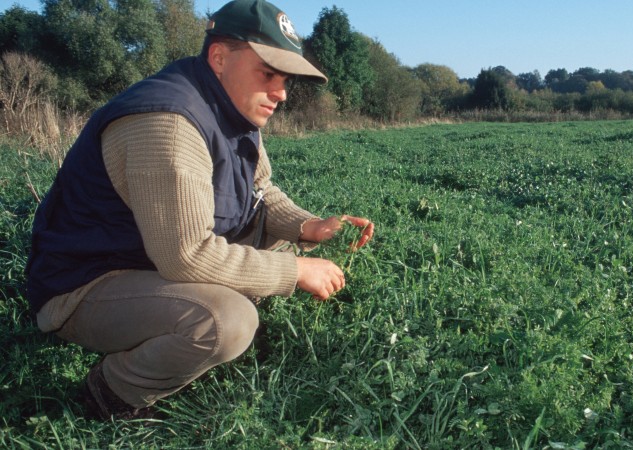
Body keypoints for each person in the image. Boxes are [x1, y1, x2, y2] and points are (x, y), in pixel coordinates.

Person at [25, 0, 374, 420]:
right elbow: (186, 255)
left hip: (144, 258)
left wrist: (310, 226)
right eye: (268, 74)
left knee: (281, 240)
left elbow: (261, 192)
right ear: (220, 57)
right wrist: (296, 271)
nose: (281, 93)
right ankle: (114, 390)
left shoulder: (231, 107)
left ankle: (193, 317)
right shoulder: (168, 122)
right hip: (87, 284)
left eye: (285, 79)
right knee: (226, 321)